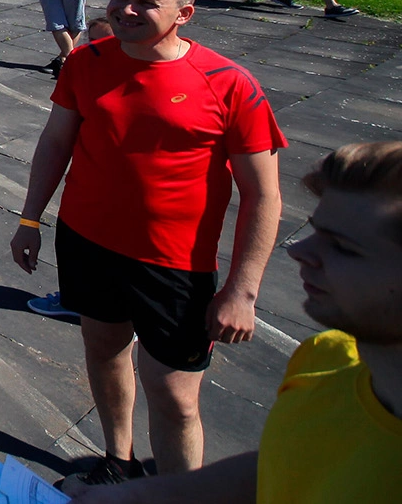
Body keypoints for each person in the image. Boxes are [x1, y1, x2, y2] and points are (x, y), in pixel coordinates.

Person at [10, 0, 286, 491]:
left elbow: (263, 195)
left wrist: (242, 291)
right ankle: (118, 458)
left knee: (175, 397)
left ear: (184, 14)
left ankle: (183, 495)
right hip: (87, 242)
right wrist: (30, 218)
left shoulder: (230, 85)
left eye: (145, 3)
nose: (126, 10)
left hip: (174, 264)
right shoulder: (86, 61)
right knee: (104, 351)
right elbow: (55, 143)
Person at [70, 140, 402, 503]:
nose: (298, 251)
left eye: (343, 247)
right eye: (316, 231)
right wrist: (137, 495)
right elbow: (283, 464)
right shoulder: (324, 358)